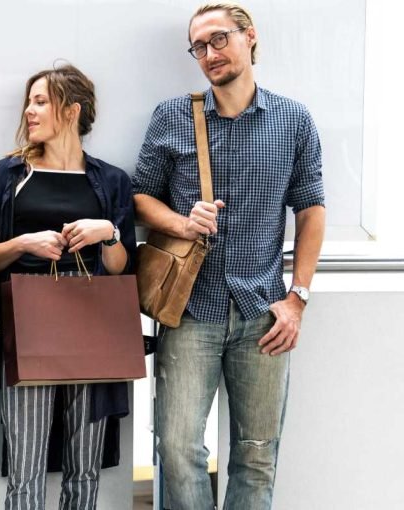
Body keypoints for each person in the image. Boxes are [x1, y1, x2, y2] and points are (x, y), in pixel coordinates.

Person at [132, 3, 326, 508]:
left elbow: (311, 210)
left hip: (263, 314)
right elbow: (139, 197)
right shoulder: (173, 116)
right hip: (189, 310)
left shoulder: (294, 120)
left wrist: (298, 299)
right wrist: (182, 222)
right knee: (177, 449)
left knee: (257, 454)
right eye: (199, 46)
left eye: (219, 39)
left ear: (249, 36)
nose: (209, 53)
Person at [0, 64, 136, 510]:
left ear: (72, 110)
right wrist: (23, 243)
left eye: (40, 101)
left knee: (84, 469)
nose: (29, 111)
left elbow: (122, 268)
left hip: (94, 324)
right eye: (28, 102)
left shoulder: (111, 180)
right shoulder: (10, 174)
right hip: (29, 321)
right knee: (25, 470)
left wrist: (109, 232)